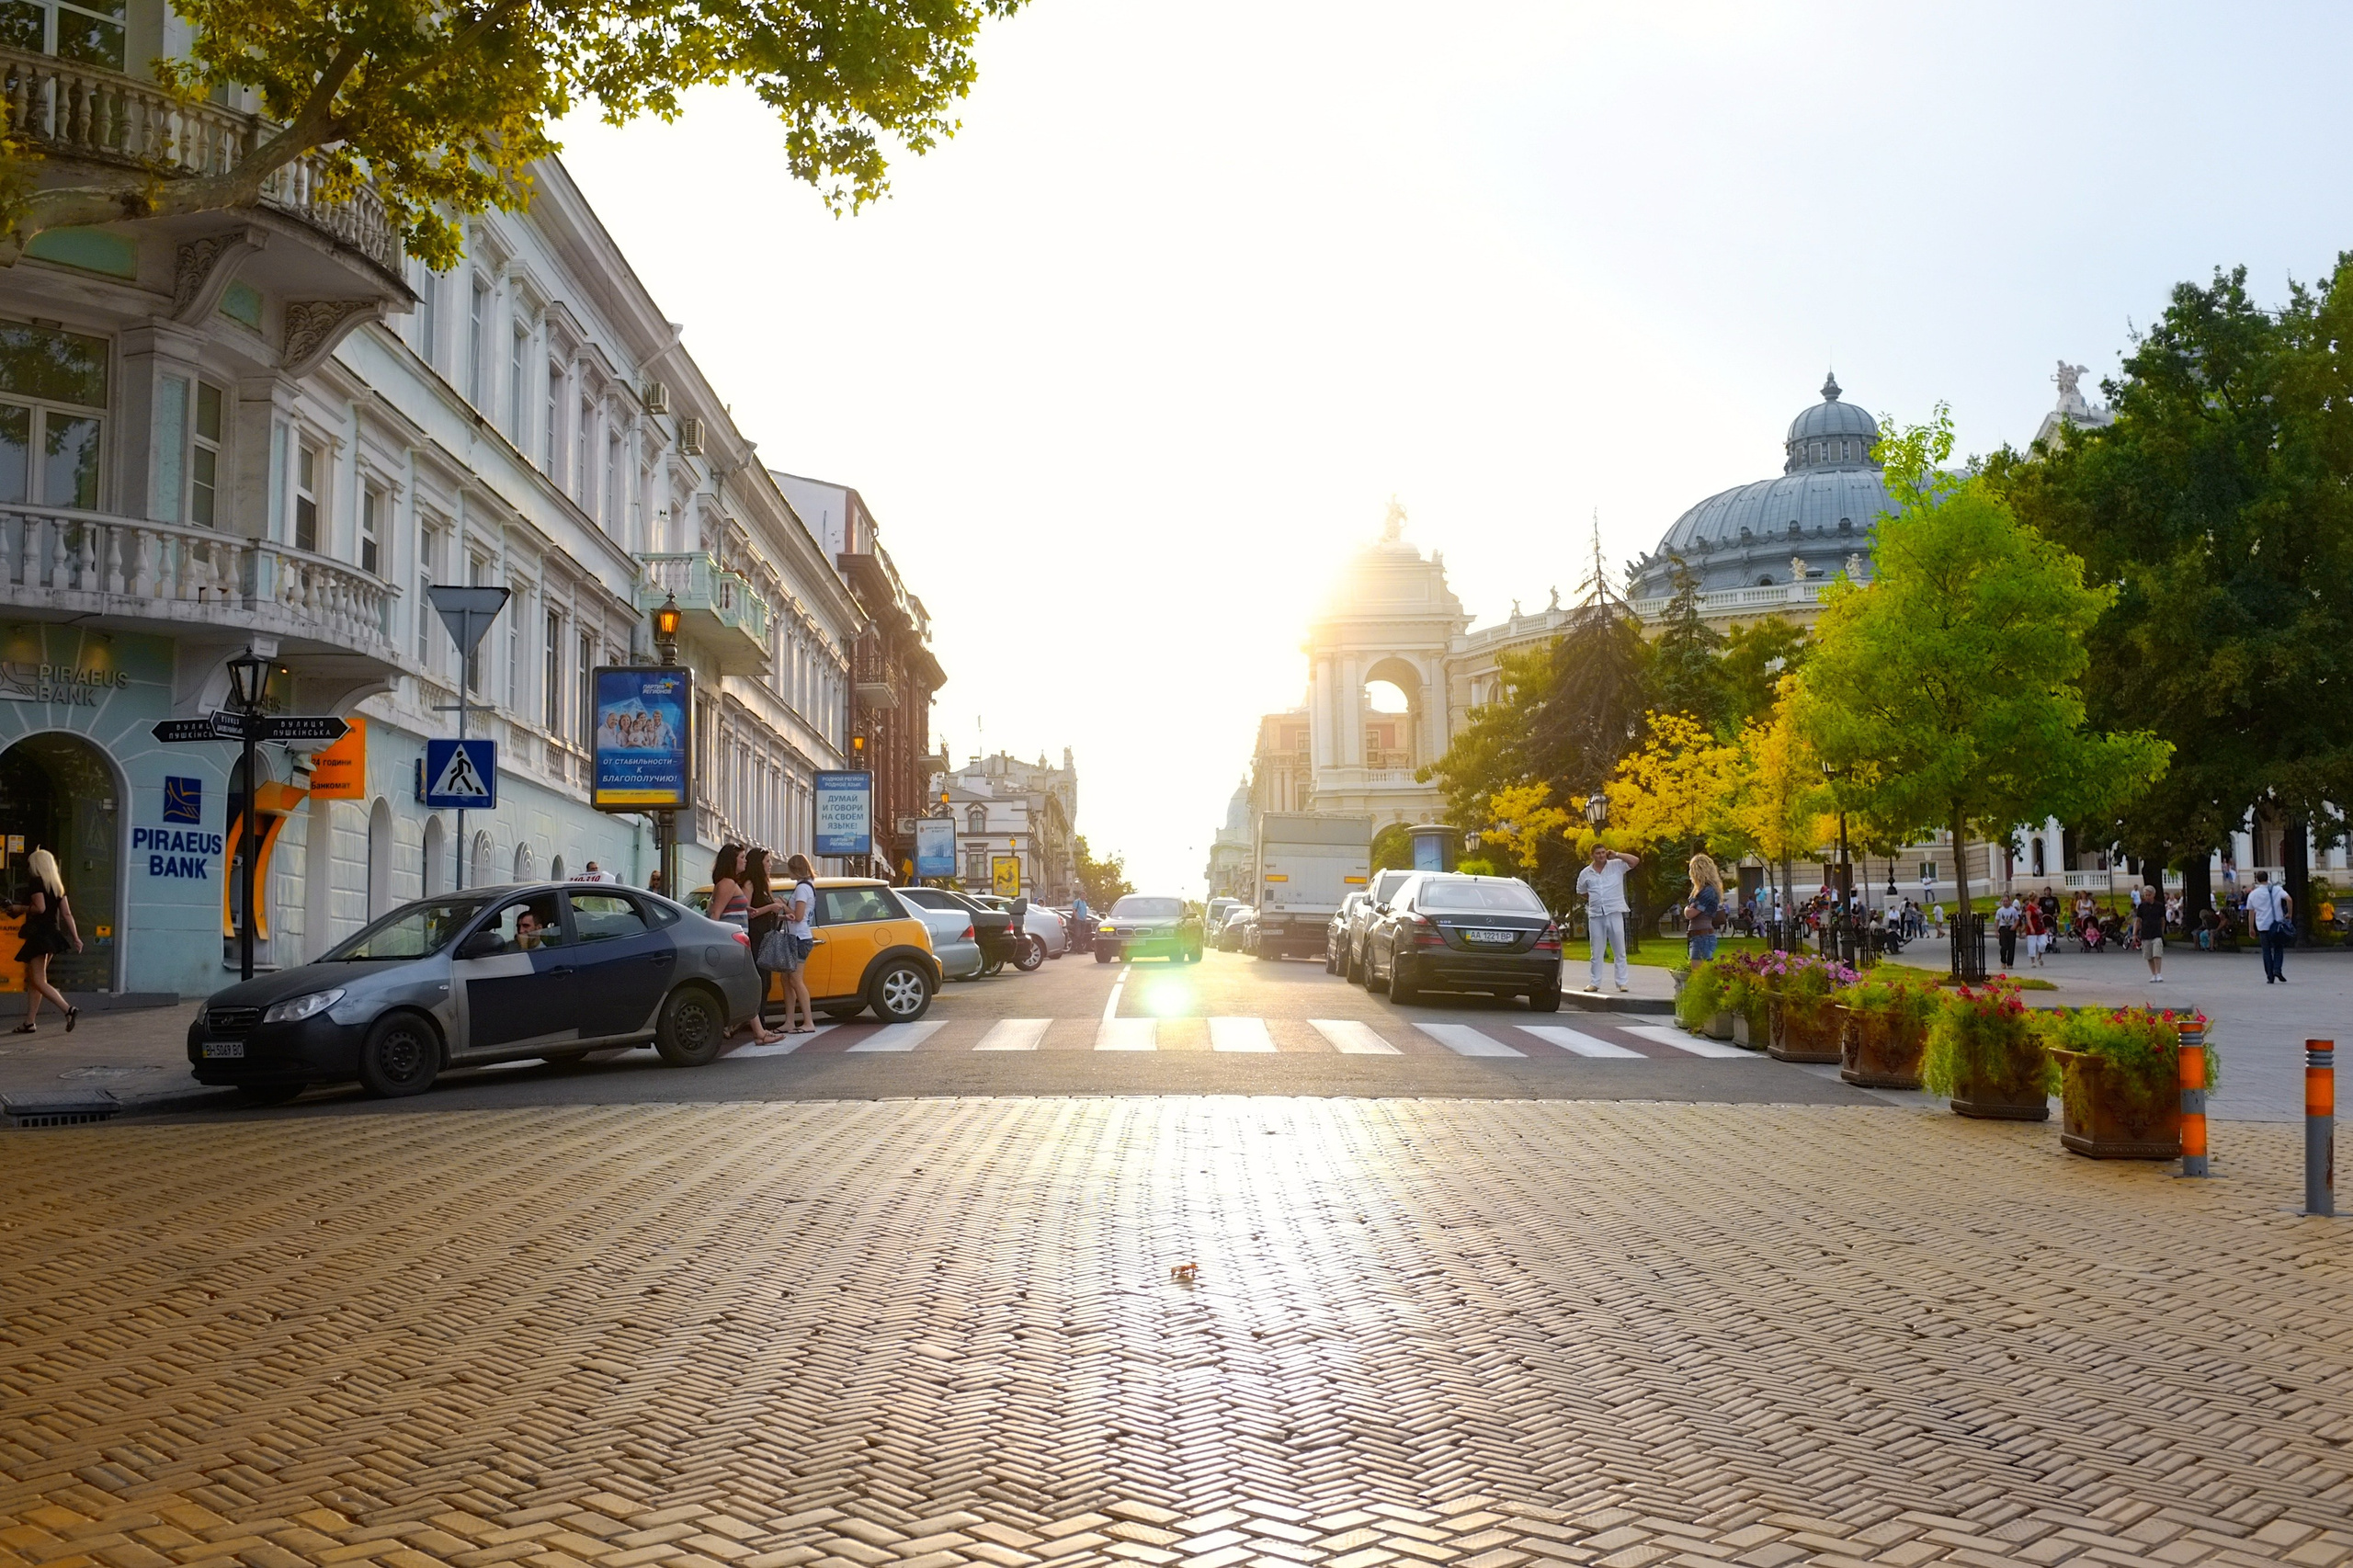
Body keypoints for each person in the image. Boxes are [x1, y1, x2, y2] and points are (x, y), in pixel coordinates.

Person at [12, 847, 81, 1033]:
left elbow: (39, 908)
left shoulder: (36, 882)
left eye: (30, 864)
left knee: (38, 980)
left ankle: (68, 1009)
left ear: (36, 865)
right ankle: (29, 1022)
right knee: (36, 980)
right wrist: (76, 937)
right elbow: (67, 913)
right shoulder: (56, 885)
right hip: (52, 934)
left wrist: (19, 908)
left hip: (39, 934)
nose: (28, 867)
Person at [738, 848, 789, 1046]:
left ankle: (761, 1024)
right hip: (755, 938)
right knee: (759, 981)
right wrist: (771, 907)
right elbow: (746, 912)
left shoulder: (765, 884)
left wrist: (782, 915)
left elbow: (762, 913)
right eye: (767, 861)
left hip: (766, 937)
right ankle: (757, 1025)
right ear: (758, 863)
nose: (770, 864)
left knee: (766, 982)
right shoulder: (750, 884)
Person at [1575, 842, 1639, 994]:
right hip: (1596, 914)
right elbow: (1581, 891)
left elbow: (1634, 861)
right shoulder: (1586, 873)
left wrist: (1616, 854)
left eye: (1603, 852)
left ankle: (1622, 982)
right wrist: (1594, 898)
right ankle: (1594, 982)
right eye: (1598, 853)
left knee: (1619, 949)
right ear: (1592, 855)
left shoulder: (1616, 865)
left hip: (1614, 911)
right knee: (1596, 950)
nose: (1601, 856)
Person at [778, 853, 820, 1035]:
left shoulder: (802, 888)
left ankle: (808, 1021)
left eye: (789, 869)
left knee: (795, 979)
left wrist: (782, 906)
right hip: (796, 936)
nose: (788, 873)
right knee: (786, 979)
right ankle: (789, 1021)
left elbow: (798, 916)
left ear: (795, 869)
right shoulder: (805, 886)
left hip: (799, 938)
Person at [2246, 869, 2293, 984]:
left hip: (2262, 925)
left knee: (2266, 951)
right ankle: (2277, 969)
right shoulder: (2277, 889)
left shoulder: (2253, 894)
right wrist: (2289, 913)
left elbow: (2251, 912)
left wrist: (2251, 928)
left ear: (2257, 880)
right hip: (2276, 924)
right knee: (2278, 947)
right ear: (2268, 878)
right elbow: (2289, 899)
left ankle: (2270, 976)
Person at [1683, 852, 1723, 964]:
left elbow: (1691, 913)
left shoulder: (1708, 891)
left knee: (1699, 974)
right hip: (1698, 936)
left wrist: (1687, 909)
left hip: (1702, 936)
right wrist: (1689, 909)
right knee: (1698, 973)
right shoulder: (1700, 890)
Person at [2135, 883, 2165, 983]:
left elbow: (2162, 920)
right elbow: (2138, 920)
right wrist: (2135, 934)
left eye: (2148, 895)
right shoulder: (2141, 907)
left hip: (2156, 933)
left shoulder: (2159, 906)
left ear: (2153, 895)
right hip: (2146, 934)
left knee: (2157, 953)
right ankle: (2153, 974)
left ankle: (2159, 973)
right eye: (2145, 895)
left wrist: (2162, 931)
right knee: (2149, 955)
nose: (2147, 897)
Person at [2019, 892, 2047, 968]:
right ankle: (2033, 962)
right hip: (2033, 929)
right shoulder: (2029, 908)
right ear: (2035, 899)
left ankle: (2039, 956)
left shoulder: (2038, 907)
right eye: (2038, 898)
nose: (2039, 899)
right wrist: (2031, 928)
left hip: (2040, 928)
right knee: (2032, 945)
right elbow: (2028, 919)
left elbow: (2041, 917)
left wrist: (2044, 926)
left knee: (2043, 944)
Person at [1995, 894, 2019, 969]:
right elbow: (1997, 921)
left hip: (2011, 929)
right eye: (2004, 901)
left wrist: (2015, 926)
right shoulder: (2000, 910)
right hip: (2003, 929)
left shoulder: (2013, 910)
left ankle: (2010, 963)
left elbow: (2017, 919)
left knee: (2011, 947)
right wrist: (1996, 931)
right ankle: (2003, 961)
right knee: (2004, 947)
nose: (2005, 903)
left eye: (2007, 901)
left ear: (2010, 902)